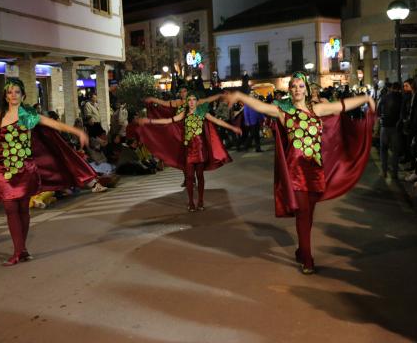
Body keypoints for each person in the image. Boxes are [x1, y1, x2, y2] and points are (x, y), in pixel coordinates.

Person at [223, 72, 375, 274]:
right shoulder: (282, 111)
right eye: (293, 86)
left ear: (306, 89)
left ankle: (301, 250)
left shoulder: (317, 109)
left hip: (315, 170)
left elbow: (342, 106)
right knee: (303, 213)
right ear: (290, 90)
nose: (297, 89)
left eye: (300, 86)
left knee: (308, 214)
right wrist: (241, 97)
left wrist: (365, 98)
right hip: (295, 173)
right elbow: (260, 106)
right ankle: (308, 259)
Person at [0, 78, 99, 266]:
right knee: (10, 209)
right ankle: (18, 251)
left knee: (23, 210)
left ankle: (21, 250)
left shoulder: (29, 116)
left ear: (23, 95)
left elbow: (55, 125)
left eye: (16, 92)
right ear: (6, 96)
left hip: (26, 170)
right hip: (5, 172)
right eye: (9, 92)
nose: (13, 95)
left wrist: (78, 132)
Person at [138, 92, 242, 212]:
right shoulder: (184, 113)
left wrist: (233, 128)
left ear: (197, 102)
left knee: (200, 176)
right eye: (190, 100)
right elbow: (168, 121)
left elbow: (218, 122)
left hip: (200, 149)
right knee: (189, 176)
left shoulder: (202, 113)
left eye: (194, 99)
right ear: (187, 102)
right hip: (189, 149)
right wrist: (149, 121)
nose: (191, 102)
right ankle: (191, 202)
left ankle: (201, 201)